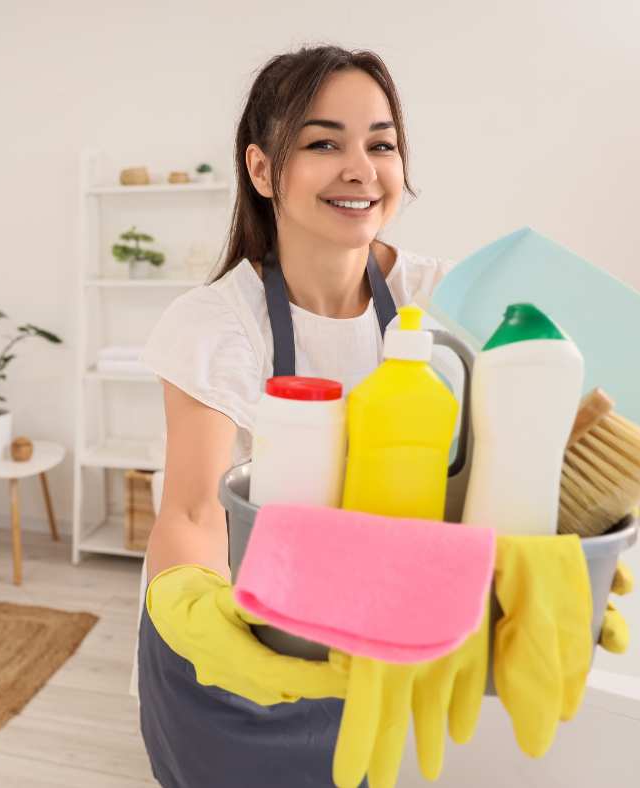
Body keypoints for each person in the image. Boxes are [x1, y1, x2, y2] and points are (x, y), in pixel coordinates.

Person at [136, 44, 454, 788]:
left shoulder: (440, 300)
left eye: (381, 144)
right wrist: (203, 622)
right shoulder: (216, 324)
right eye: (323, 144)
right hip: (248, 641)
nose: (361, 170)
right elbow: (193, 512)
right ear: (262, 169)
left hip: (388, 632)